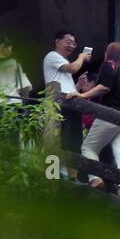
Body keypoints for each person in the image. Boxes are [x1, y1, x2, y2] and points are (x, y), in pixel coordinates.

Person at [77, 42, 120, 202]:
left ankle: (95, 179)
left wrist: (82, 96)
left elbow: (104, 87)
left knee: (88, 147)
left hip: (110, 115)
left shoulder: (109, 66)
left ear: (110, 53)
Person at [42, 31, 92, 172]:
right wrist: (81, 56)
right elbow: (73, 69)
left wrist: (78, 86)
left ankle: (72, 176)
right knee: (59, 140)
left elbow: (66, 85)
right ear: (57, 41)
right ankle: (57, 174)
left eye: (73, 43)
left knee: (73, 141)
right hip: (59, 103)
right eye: (68, 41)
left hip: (70, 104)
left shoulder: (63, 61)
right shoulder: (52, 56)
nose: (71, 45)